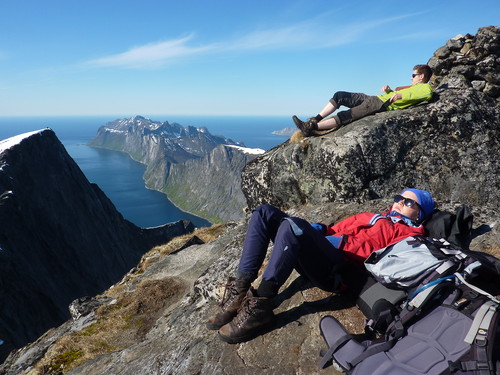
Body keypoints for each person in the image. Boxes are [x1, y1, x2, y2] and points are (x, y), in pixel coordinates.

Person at [206, 188, 435, 344]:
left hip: (337, 272)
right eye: (398, 198)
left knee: (291, 227)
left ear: (419, 214)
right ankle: (240, 290)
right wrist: (318, 230)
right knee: (264, 211)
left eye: (408, 202)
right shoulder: (372, 216)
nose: (398, 203)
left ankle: (262, 305)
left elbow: (372, 256)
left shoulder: (409, 234)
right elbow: (336, 229)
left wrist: (314, 237)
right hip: (322, 255)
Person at [293, 64, 433, 136]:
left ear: (421, 77)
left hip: (380, 104)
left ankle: (311, 128)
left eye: (413, 75)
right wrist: (389, 91)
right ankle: (315, 119)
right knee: (340, 95)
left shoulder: (425, 88)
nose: (411, 77)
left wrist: (400, 95)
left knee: (348, 115)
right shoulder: (411, 87)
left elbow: (426, 95)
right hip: (373, 98)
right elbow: (396, 95)